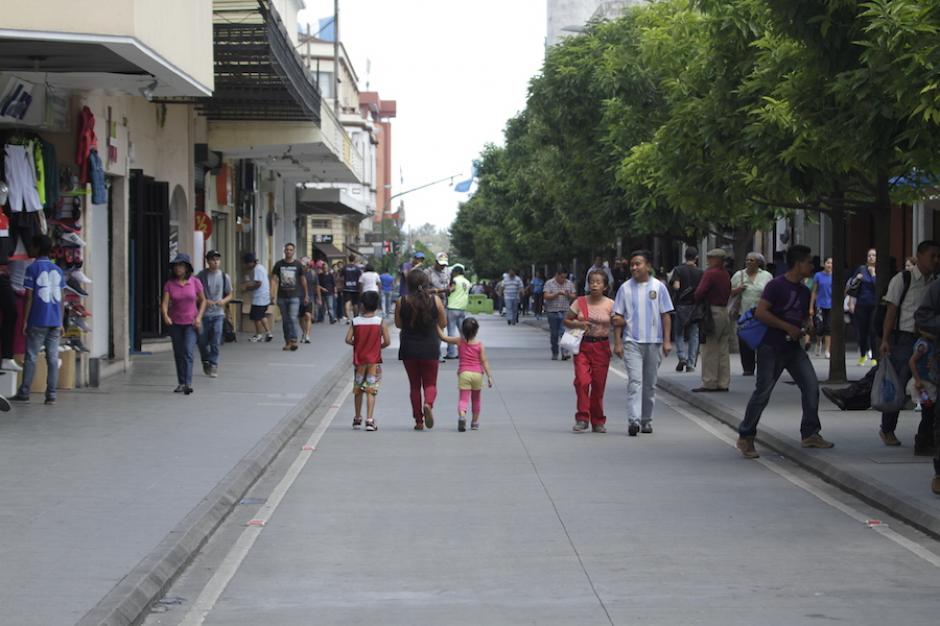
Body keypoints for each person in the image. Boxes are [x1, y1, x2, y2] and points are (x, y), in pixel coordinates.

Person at [735, 245, 833, 459]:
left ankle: (810, 433)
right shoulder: (776, 286)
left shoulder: (804, 290)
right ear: (798, 264)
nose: (811, 266)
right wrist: (787, 327)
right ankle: (746, 435)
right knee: (762, 392)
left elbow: (803, 317)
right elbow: (761, 313)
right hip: (771, 346)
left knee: (811, 386)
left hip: (793, 348)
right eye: (808, 262)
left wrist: (808, 326)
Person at [878, 240, 940, 446]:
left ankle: (926, 431)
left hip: (929, 340)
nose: (935, 260)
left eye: (938, 256)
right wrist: (886, 340)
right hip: (905, 338)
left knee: (928, 383)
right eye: (932, 256)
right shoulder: (903, 279)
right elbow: (891, 311)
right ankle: (887, 428)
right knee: (897, 382)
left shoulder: (936, 281)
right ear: (919, 255)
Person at [613, 250, 673, 436]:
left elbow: (666, 315)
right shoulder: (625, 288)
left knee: (650, 385)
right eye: (632, 264)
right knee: (635, 382)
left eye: (638, 264)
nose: (634, 267)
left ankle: (647, 420)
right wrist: (618, 343)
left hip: (654, 342)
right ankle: (634, 420)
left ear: (648, 266)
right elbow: (617, 317)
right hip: (632, 342)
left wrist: (667, 340)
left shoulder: (659, 287)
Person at [11, 235, 65, 405]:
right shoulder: (58, 270)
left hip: (37, 320)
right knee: (52, 358)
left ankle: (25, 392)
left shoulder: (32, 269)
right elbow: (62, 298)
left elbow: (29, 296)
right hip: (55, 321)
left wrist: (25, 320)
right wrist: (61, 321)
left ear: (36, 248)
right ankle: (51, 395)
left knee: (32, 357)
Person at [567, 269, 617, 433]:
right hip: (583, 346)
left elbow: (619, 321)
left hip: (601, 347)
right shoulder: (579, 302)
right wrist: (578, 324)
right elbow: (566, 320)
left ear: (605, 286)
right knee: (582, 381)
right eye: (592, 281)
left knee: (598, 385)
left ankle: (598, 420)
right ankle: (582, 418)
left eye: (598, 282)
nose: (594, 284)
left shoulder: (610, 304)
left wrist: (619, 342)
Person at [396, 270, 446, 430]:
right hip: (430, 347)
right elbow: (443, 323)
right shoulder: (435, 300)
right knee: (430, 383)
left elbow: (398, 324)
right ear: (426, 283)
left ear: (408, 284)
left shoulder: (401, 301)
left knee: (414, 386)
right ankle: (428, 404)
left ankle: (418, 421)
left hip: (408, 348)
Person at [160, 253, 206, 395]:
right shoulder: (169, 284)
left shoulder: (195, 282)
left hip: (191, 323)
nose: (178, 268)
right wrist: (165, 315)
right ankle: (181, 382)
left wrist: (199, 317)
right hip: (175, 323)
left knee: (187, 351)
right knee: (179, 353)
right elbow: (165, 303)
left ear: (186, 268)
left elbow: (203, 300)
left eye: (181, 265)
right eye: (176, 266)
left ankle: (188, 383)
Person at [345, 291, 390, 432]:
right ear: (376, 306)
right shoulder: (380, 322)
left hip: (359, 362)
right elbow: (387, 341)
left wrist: (358, 345)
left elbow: (348, 339)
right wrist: (378, 347)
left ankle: (357, 418)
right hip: (373, 362)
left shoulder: (356, 321)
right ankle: (369, 420)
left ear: (362, 305)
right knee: (371, 390)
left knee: (358, 390)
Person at [438, 317, 494, 431]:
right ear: (476, 330)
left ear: (462, 330)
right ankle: (474, 422)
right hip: (477, 374)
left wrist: (436, 325)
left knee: (463, 399)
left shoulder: (459, 341)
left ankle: (462, 416)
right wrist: (489, 376)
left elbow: (443, 338)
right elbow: (484, 361)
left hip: (464, 374)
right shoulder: (479, 345)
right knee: (476, 399)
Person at [693, 249, 732, 392]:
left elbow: (699, 293)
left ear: (717, 259)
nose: (708, 260)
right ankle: (723, 382)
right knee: (723, 348)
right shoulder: (725, 274)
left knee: (709, 348)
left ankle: (709, 382)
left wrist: (696, 297)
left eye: (710, 258)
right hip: (724, 311)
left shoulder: (710, 273)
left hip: (712, 312)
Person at [730, 252, 773, 375]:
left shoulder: (766, 276)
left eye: (752, 260)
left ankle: (763, 367)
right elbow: (728, 291)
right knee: (745, 342)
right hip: (744, 314)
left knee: (762, 342)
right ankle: (748, 368)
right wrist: (737, 290)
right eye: (747, 260)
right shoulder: (739, 275)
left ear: (759, 263)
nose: (748, 262)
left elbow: (772, 293)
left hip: (762, 314)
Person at [196, 250, 232, 378]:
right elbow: (194, 294)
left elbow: (230, 294)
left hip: (218, 314)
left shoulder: (224, 276)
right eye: (213, 259)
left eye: (217, 259)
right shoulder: (200, 276)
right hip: (204, 314)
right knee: (202, 341)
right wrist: (204, 300)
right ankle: (205, 360)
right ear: (207, 261)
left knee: (216, 340)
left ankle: (214, 364)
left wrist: (223, 301)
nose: (215, 262)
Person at [670, 247, 703, 373]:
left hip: (681, 306)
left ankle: (681, 357)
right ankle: (691, 363)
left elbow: (676, 286)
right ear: (696, 258)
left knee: (679, 333)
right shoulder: (700, 272)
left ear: (685, 256)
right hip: (695, 306)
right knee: (694, 334)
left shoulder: (678, 270)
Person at [907, 330, 939, 457]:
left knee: (929, 414)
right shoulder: (923, 345)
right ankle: (922, 443)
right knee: (928, 414)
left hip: (928, 381)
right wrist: (918, 380)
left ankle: (927, 442)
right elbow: (912, 361)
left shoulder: (929, 343)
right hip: (925, 383)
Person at [271, 243, 308, 351]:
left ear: (294, 251)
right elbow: (273, 279)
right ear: (284, 251)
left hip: (294, 296)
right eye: (287, 250)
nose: (288, 251)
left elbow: (303, 280)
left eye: (291, 250)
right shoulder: (279, 264)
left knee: (292, 318)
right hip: (282, 296)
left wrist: (306, 294)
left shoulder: (298, 265)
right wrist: (272, 294)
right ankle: (287, 342)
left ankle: (294, 340)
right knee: (285, 320)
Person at [849, 248, 878, 367]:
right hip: (861, 304)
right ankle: (862, 354)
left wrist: (873, 275)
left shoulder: (878, 270)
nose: (871, 257)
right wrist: (851, 302)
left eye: (873, 255)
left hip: (874, 304)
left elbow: (879, 287)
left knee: (872, 330)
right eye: (869, 255)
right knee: (862, 331)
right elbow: (852, 286)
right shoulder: (861, 269)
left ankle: (874, 356)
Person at [544, 268, 577, 360]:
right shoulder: (549, 283)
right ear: (557, 275)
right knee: (554, 334)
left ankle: (564, 352)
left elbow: (574, 296)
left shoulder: (569, 283)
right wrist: (557, 294)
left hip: (565, 311)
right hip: (552, 311)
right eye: (561, 277)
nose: (563, 280)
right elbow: (546, 296)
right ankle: (555, 352)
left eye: (565, 278)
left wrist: (568, 295)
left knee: (564, 332)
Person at [241, 253, 272, 342]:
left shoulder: (257, 269)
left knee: (256, 317)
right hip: (264, 296)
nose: (246, 265)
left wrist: (248, 288)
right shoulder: (261, 267)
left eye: (247, 263)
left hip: (259, 297)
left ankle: (259, 335)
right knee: (262, 316)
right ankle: (269, 333)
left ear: (251, 262)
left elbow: (258, 284)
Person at [444, 264, 471, 360]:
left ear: (455, 272)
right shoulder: (467, 282)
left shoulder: (455, 281)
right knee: (463, 332)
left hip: (452, 308)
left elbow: (450, 290)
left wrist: (446, 289)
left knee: (451, 332)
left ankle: (451, 353)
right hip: (462, 309)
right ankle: (465, 352)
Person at [809, 257, 833, 359]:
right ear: (824, 264)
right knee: (819, 327)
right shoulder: (818, 276)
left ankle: (827, 350)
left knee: (828, 328)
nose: (829, 265)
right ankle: (818, 343)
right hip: (820, 304)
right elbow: (814, 291)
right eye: (828, 262)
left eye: (832, 263)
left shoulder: (835, 276)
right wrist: (811, 307)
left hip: (831, 305)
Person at [299, 258, 322, 343]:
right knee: (301, 318)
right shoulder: (298, 273)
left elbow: (317, 286)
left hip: (310, 297)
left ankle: (308, 335)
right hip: (299, 297)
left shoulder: (313, 274)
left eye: (304, 265)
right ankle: (304, 333)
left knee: (308, 316)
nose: (303, 267)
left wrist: (319, 298)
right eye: (302, 265)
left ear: (308, 265)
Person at [341, 254, 362, 322]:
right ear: (354, 259)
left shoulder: (345, 267)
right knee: (355, 303)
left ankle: (348, 318)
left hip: (346, 287)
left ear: (348, 259)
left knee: (347, 302)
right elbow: (360, 278)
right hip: (355, 288)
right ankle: (355, 317)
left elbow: (341, 277)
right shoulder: (357, 268)